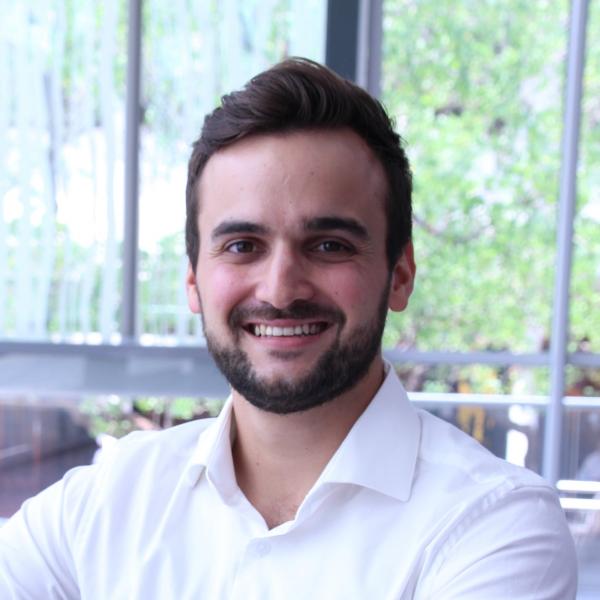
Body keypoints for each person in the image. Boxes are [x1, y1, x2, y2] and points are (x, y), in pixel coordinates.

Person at [0, 58, 577, 598]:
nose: (280, 290)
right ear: (195, 281)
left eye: (329, 245)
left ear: (399, 275)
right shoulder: (102, 505)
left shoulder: (495, 524)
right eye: (242, 246)